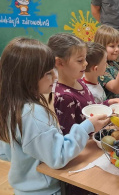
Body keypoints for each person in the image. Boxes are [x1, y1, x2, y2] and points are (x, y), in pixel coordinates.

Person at [0, 37, 110, 195]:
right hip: (45, 190)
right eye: (48, 73)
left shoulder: (10, 106)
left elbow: (6, 153)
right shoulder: (33, 115)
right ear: (28, 77)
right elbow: (58, 156)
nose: (54, 77)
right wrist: (87, 127)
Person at [48, 33, 98, 135]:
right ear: (60, 63)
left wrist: (107, 104)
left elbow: (87, 108)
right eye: (80, 60)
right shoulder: (64, 97)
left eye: (85, 59)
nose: (86, 63)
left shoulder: (79, 80)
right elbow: (70, 138)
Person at [94, 24, 119, 103]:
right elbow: (116, 89)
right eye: (112, 46)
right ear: (101, 46)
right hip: (112, 110)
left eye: (118, 45)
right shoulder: (102, 68)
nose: (117, 49)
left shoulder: (113, 63)